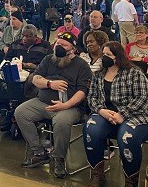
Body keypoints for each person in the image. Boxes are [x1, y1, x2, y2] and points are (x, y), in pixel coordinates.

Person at [83, 42, 148, 187]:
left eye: (108, 55)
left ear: (118, 57)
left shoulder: (134, 73)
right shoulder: (98, 75)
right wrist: (101, 111)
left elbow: (143, 99)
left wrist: (122, 114)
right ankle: (97, 174)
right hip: (107, 115)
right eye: (103, 54)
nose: (105, 58)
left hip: (138, 116)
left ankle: (131, 183)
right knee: (91, 128)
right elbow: (92, 98)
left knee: (127, 136)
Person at [15, 32, 91, 178]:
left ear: (72, 49)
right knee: (21, 112)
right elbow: (35, 78)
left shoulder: (81, 65)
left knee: (61, 121)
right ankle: (38, 151)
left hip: (70, 107)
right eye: (57, 43)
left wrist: (66, 105)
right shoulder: (49, 59)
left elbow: (82, 91)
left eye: (63, 45)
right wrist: (49, 84)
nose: (59, 47)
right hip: (43, 102)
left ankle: (59, 158)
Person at [0, 25, 52, 129]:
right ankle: (3, 111)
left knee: (31, 80)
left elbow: (50, 64)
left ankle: (21, 107)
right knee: (1, 79)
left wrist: (35, 66)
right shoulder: (15, 44)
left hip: (36, 72)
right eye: (23, 36)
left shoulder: (45, 46)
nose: (24, 39)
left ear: (35, 36)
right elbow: (7, 59)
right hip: (17, 70)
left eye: (28, 36)